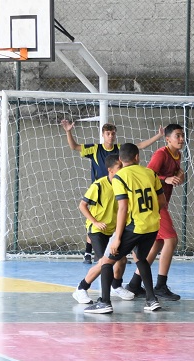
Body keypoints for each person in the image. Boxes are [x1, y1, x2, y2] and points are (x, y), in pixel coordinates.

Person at [60, 119, 160, 261]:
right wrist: (68, 131)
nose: (111, 136)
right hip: (101, 190)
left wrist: (159, 135)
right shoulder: (95, 149)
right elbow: (74, 146)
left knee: (116, 218)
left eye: (113, 133)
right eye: (108, 133)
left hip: (118, 189)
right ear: (103, 135)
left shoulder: (121, 149)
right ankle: (89, 252)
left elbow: (139, 146)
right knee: (96, 220)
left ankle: (120, 251)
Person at [83, 143, 165, 316]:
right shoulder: (151, 173)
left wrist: (118, 238)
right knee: (141, 258)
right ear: (137, 157)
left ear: (120, 159)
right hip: (152, 226)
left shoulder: (120, 177)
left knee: (106, 262)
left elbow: (123, 208)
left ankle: (104, 302)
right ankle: (151, 300)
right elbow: (162, 203)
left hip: (133, 227)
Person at [126, 123, 186, 301]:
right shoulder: (161, 154)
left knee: (158, 243)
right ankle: (160, 285)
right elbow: (148, 175)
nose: (181, 139)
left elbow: (175, 175)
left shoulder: (178, 155)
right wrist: (165, 178)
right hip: (154, 204)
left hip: (162, 203)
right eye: (178, 136)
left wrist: (179, 176)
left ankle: (134, 284)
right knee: (171, 240)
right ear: (167, 139)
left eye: (182, 135)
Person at [71, 155, 136, 304]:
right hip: (97, 230)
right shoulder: (98, 185)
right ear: (110, 170)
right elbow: (82, 205)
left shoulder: (123, 185)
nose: (123, 169)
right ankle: (81, 288)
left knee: (122, 260)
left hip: (113, 230)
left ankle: (116, 286)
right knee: (104, 262)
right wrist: (95, 221)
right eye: (120, 167)